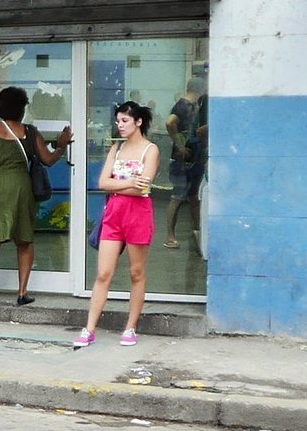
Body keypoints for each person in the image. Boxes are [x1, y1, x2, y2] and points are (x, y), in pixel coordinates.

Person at [0, 87, 73, 304]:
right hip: (19, 189)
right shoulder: (29, 132)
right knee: (24, 240)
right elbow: (47, 159)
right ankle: (22, 293)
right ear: (22, 109)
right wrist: (61, 146)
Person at [75, 102, 162, 348]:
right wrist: (129, 183)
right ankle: (89, 327)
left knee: (136, 272)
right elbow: (103, 182)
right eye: (118, 121)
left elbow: (143, 188)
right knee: (103, 273)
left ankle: (130, 327)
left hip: (138, 215)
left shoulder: (150, 150)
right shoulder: (117, 148)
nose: (120, 126)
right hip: (113, 214)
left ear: (138, 122)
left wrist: (121, 183)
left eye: (124, 121)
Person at [164, 78, 208, 250]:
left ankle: (197, 231)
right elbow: (170, 122)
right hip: (183, 161)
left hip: (193, 159)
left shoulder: (195, 106)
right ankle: (170, 236)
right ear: (200, 88)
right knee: (177, 196)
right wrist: (180, 144)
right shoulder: (183, 105)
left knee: (193, 197)